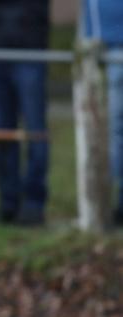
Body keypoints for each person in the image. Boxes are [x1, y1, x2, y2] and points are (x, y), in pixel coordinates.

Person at [0, 0, 51, 226]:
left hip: (29, 48)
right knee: (2, 132)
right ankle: (8, 202)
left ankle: (34, 204)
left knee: (35, 131)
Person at [82, 0, 123, 226]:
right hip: (98, 50)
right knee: (111, 132)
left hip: (115, 48)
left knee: (116, 131)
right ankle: (108, 203)